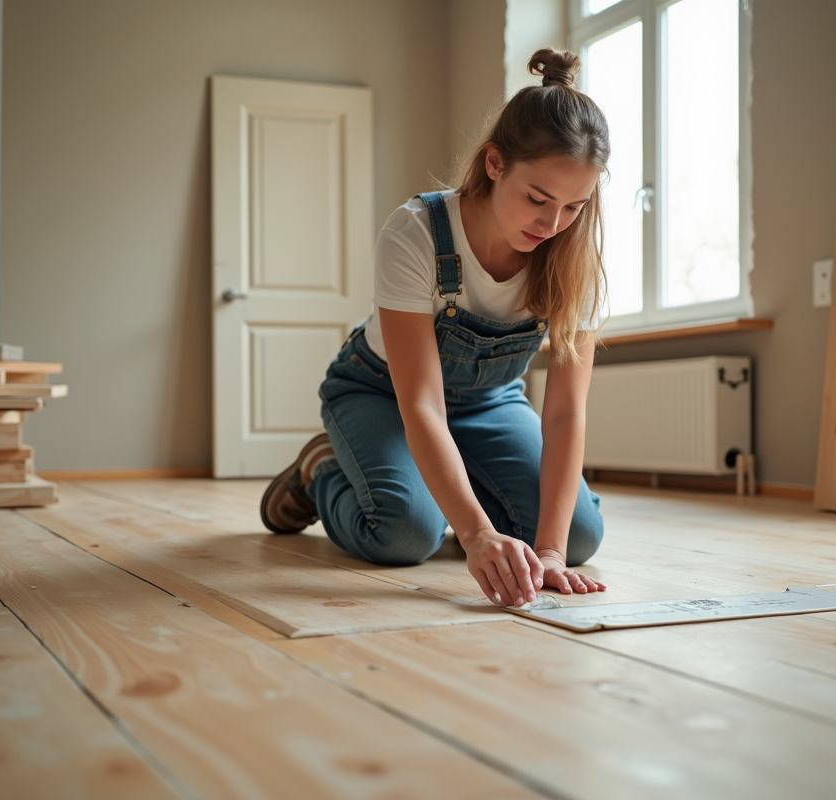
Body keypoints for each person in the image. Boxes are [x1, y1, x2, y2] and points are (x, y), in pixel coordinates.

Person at [260, 48, 610, 608]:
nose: (552, 225)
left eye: (574, 207)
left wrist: (546, 551)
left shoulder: (573, 257)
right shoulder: (416, 232)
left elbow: (567, 411)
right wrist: (475, 534)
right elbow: (421, 404)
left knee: (579, 537)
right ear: (495, 164)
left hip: (489, 403)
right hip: (381, 393)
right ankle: (319, 469)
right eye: (538, 199)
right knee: (405, 535)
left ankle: (455, 485)